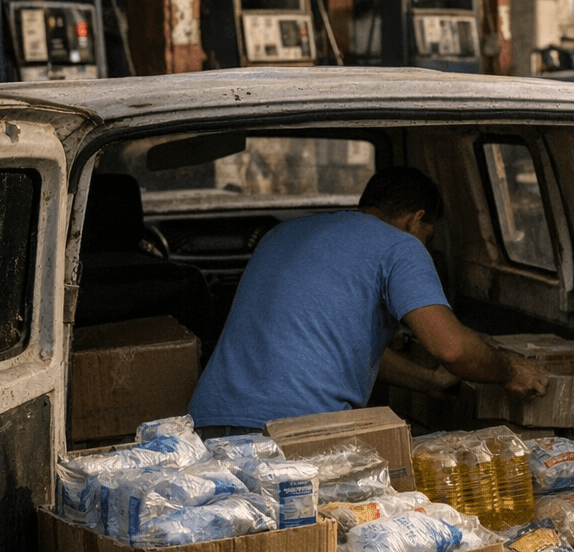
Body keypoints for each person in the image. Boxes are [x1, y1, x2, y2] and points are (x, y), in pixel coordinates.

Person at [189, 167, 548, 433]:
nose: (426, 244)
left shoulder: (282, 233)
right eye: (429, 235)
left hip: (206, 424)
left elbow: (333, 347)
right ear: (416, 220)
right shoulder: (400, 246)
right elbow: (451, 348)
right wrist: (510, 370)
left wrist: (429, 382)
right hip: (294, 437)